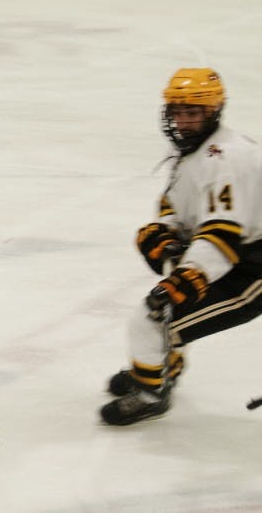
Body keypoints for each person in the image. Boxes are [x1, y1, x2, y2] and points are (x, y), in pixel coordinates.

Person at [101, 68, 262, 425]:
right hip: (234, 254)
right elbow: (180, 206)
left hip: (252, 268)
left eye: (193, 113)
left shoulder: (225, 160)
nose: (184, 121)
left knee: (153, 317)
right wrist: (164, 230)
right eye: (178, 112)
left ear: (213, 112)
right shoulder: (197, 150)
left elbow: (223, 235)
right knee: (166, 306)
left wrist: (191, 276)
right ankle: (160, 365)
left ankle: (150, 391)